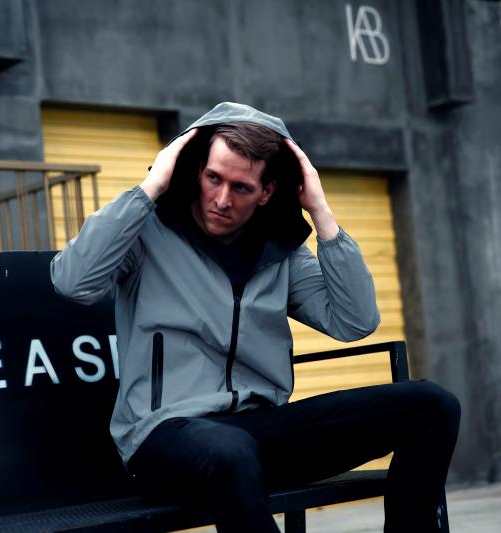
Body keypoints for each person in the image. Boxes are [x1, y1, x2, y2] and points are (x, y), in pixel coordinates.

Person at [51, 102, 460, 532]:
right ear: (196, 170)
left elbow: (354, 320)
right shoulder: (146, 232)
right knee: (230, 450)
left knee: (432, 406)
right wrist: (151, 187)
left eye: (241, 187)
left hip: (260, 431)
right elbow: (71, 281)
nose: (222, 199)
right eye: (213, 178)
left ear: (267, 192)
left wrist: (321, 212)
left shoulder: (280, 251)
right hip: (163, 437)